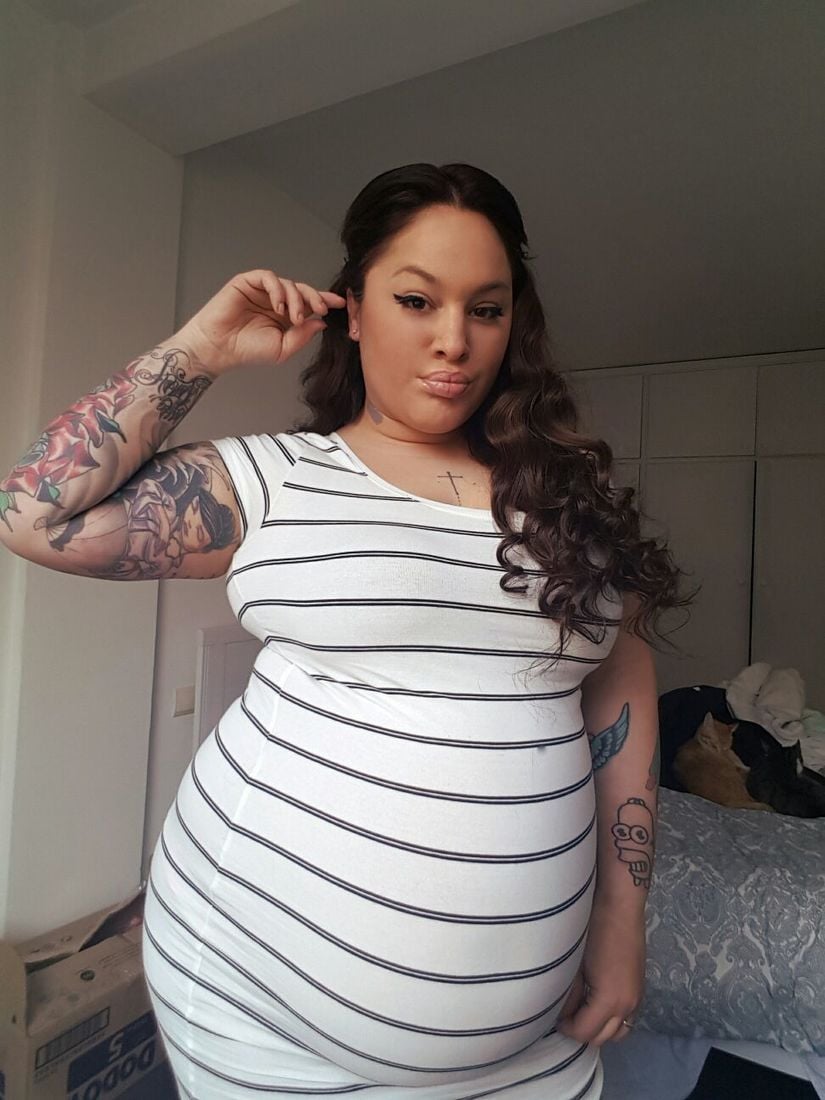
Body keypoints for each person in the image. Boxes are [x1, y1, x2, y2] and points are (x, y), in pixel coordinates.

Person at [0, 162, 695, 1100]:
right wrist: (203, 346)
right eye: (416, 300)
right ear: (354, 311)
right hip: (256, 1008)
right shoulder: (275, 478)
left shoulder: (568, 502)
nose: (453, 340)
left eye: (486, 310)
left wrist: (621, 916)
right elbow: (33, 515)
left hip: (528, 1047)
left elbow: (618, 683)